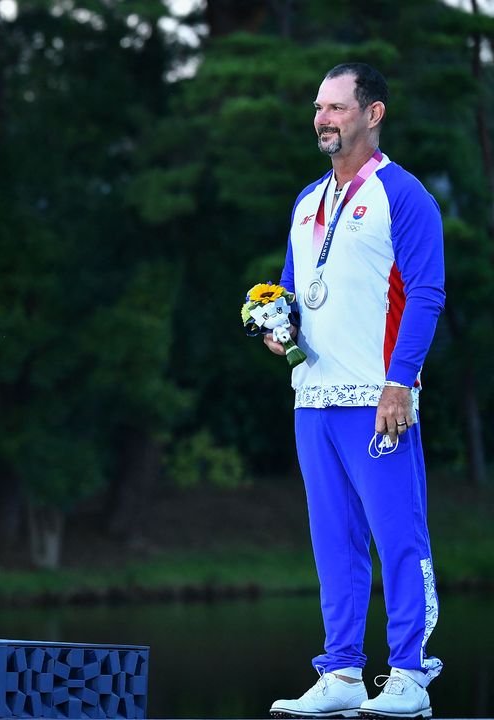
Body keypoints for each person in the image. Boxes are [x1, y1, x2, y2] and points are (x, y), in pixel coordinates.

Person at [265, 64, 444, 719]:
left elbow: (426, 293)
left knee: (399, 536)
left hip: (378, 399)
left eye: (337, 107)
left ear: (373, 114)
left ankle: (410, 675)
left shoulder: (406, 195)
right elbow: (291, 289)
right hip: (312, 399)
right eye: (319, 107)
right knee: (333, 543)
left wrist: (400, 382)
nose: (324, 119)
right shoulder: (307, 200)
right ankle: (340, 671)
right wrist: (275, 322)